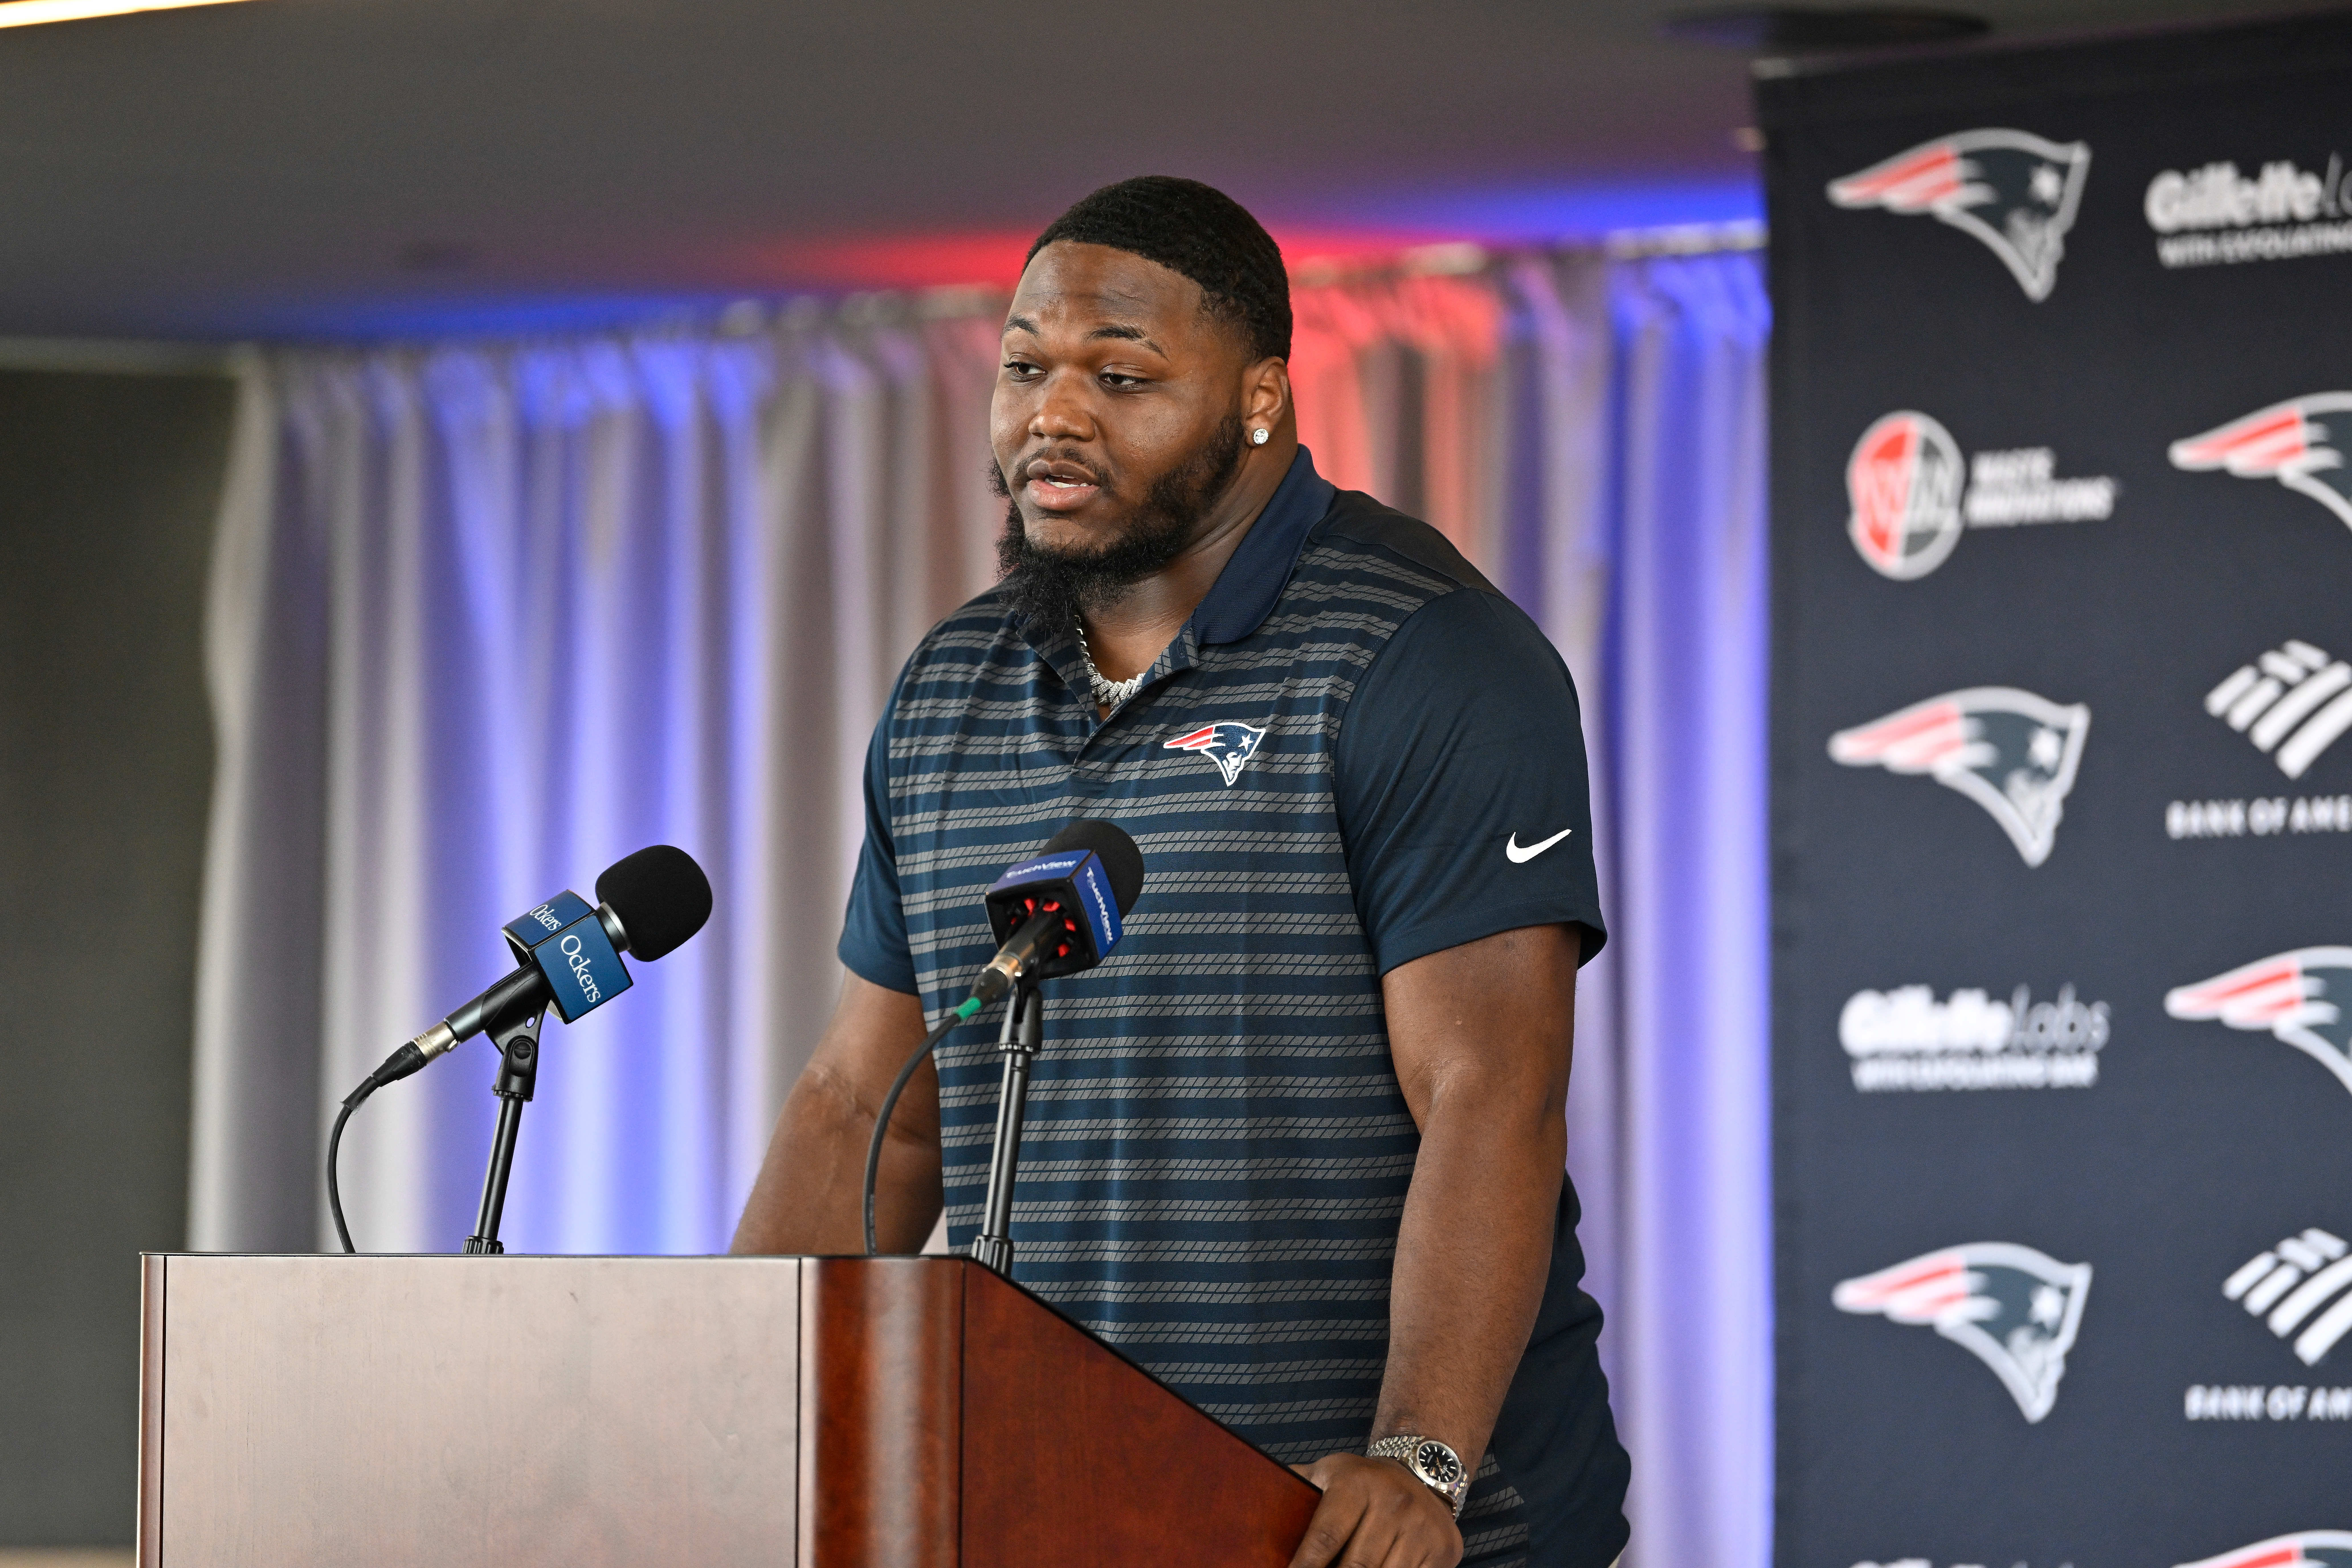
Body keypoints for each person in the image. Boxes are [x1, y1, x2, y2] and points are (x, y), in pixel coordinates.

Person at [732, 175, 1628, 1568]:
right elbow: (871, 1103)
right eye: (1025, 366)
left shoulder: (1427, 653)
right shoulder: (949, 690)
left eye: (1122, 374)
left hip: (1372, 1532)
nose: (1055, 414)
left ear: (1262, 397)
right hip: (1064, 1502)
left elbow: (1488, 1094)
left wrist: (1420, 1460)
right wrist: (735, 1408)